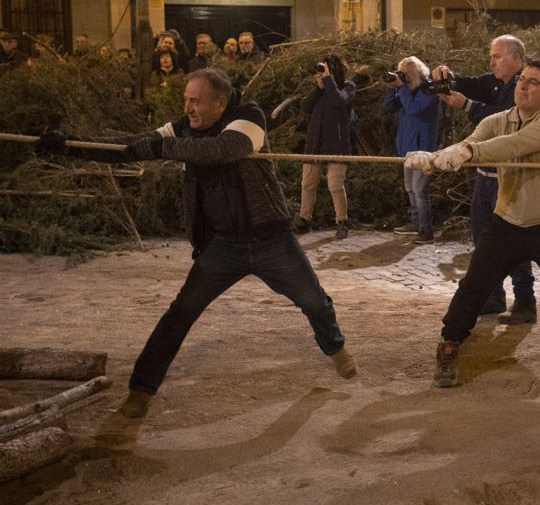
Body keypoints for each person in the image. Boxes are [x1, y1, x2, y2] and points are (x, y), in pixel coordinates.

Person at [34, 68, 357, 418]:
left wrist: (164, 148)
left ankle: (335, 347)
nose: (188, 107)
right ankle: (141, 391)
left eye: (196, 101)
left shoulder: (248, 116)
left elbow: (222, 149)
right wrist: (70, 145)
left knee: (314, 301)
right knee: (179, 315)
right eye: (186, 100)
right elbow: (128, 147)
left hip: (271, 238)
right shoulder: (182, 128)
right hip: (222, 246)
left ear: (220, 102)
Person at [405, 59, 540, 387]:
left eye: (533, 82)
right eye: (522, 79)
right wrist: (432, 160)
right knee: (473, 287)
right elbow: (469, 145)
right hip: (506, 222)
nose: (523, 85)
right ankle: (450, 343)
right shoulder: (497, 120)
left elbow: (512, 145)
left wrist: (468, 151)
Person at [431, 35, 536, 322]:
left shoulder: (524, 87)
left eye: (497, 56)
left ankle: (526, 300)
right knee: (482, 237)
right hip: (485, 175)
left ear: (516, 58)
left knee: (513, 239)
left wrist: (468, 106)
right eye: (491, 56)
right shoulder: (494, 82)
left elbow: (506, 119)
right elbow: (471, 83)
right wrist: (446, 75)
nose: (491, 62)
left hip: (509, 176)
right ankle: (494, 295)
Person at [293, 54, 354, 239]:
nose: (322, 73)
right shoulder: (321, 88)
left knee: (335, 184)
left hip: (338, 144)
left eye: (327, 70)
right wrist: (318, 88)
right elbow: (305, 106)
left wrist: (328, 82)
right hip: (315, 143)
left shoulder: (348, 86)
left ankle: (342, 221)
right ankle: (305, 219)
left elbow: (339, 102)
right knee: (308, 183)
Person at [383, 56, 440, 244]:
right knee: (410, 188)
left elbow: (414, 108)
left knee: (419, 190)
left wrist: (401, 88)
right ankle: (416, 223)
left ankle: (426, 230)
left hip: (423, 150)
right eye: (402, 74)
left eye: (408, 74)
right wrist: (392, 88)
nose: (405, 77)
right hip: (406, 148)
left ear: (420, 73)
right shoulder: (406, 90)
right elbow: (389, 108)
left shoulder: (429, 89)